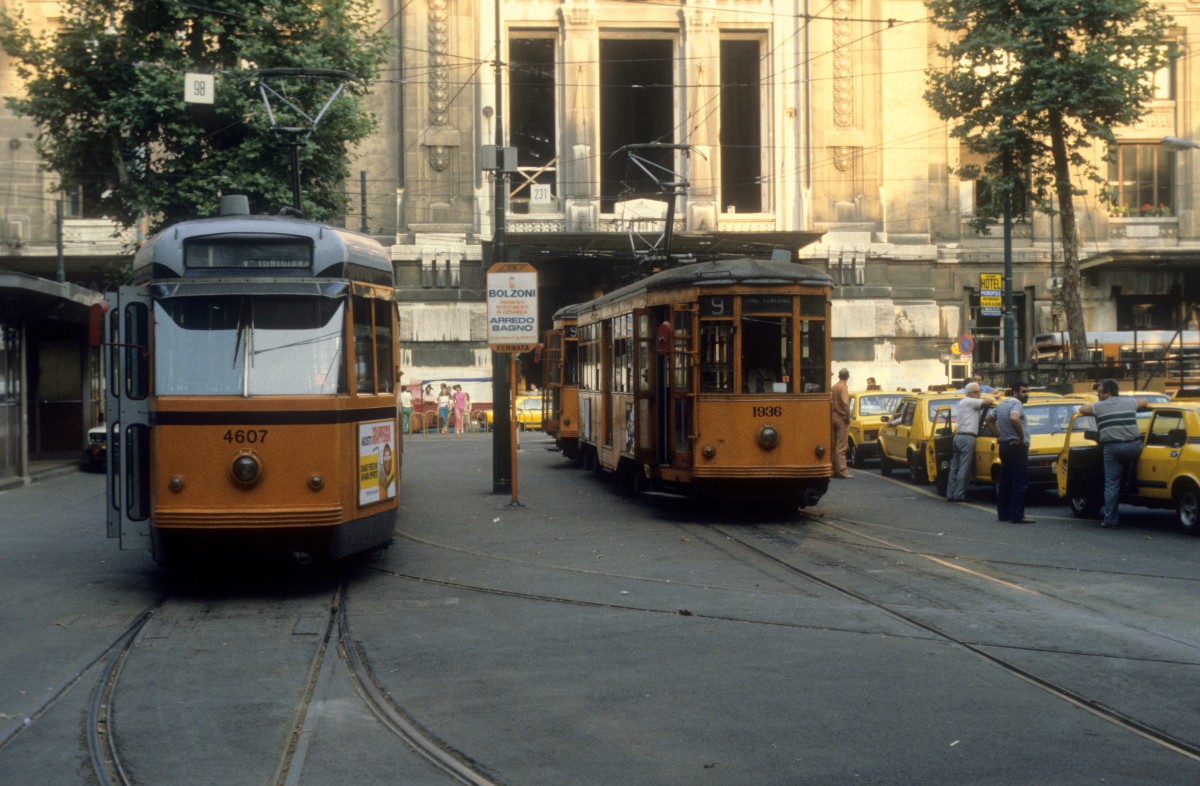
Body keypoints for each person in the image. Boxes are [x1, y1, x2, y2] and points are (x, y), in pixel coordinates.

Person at [1078, 379, 1149, 528]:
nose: (1098, 395)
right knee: (1133, 465)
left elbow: (1082, 409)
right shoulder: (1129, 403)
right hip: (1135, 445)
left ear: (1107, 393)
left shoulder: (1099, 406)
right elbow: (1144, 401)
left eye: (1099, 392)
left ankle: (1110, 520)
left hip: (1113, 448)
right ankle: (1131, 480)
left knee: (1111, 484)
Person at [986, 381, 1034, 523]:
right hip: (1017, 446)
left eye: (1027, 391)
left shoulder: (1001, 404)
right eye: (1023, 392)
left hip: (1005, 446)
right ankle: (1017, 515)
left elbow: (989, 419)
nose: (1026, 395)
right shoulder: (1016, 404)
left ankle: (1003, 514)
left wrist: (999, 435)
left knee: (1005, 480)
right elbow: (1014, 418)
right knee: (1019, 480)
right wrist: (1021, 437)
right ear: (1014, 392)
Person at [946, 382, 996, 501]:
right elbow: (988, 401)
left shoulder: (963, 402)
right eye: (978, 392)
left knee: (954, 468)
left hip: (958, 436)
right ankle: (959, 495)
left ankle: (950, 493)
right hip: (968, 438)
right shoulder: (969, 401)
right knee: (964, 468)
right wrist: (993, 396)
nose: (980, 394)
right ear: (971, 393)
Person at [831, 368, 852, 479]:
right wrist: (847, 416)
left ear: (839, 376)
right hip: (841, 418)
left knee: (833, 445)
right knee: (841, 446)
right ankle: (843, 471)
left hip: (833, 416)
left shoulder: (834, 387)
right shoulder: (843, 387)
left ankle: (833, 470)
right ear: (848, 376)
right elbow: (845, 402)